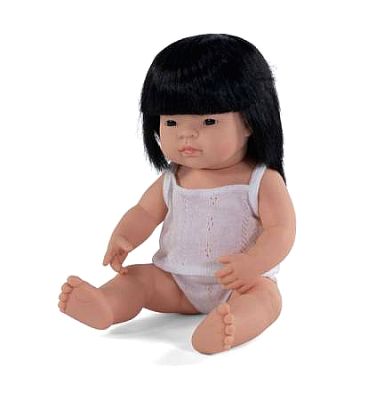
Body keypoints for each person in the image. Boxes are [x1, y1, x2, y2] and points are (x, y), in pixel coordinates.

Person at [58, 33, 296, 355]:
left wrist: (254, 263)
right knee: (138, 278)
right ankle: (106, 304)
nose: (186, 134)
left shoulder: (260, 181)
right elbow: (144, 212)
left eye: (208, 121)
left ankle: (231, 325)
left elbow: (281, 230)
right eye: (171, 122)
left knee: (266, 299)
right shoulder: (174, 178)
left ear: (250, 122)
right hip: (175, 282)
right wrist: (124, 236)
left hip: (240, 284)